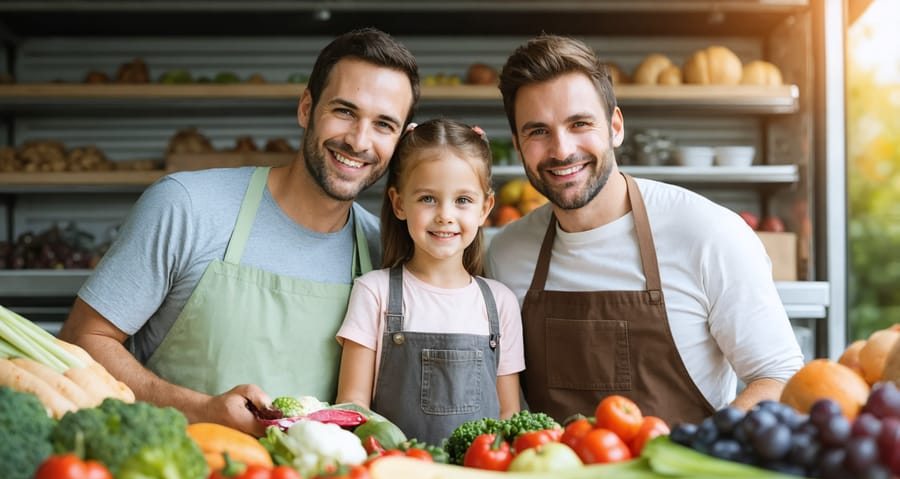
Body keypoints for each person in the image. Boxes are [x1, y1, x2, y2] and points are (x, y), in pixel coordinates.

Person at [58, 28, 420, 435]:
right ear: (306, 108)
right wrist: (201, 410)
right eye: (344, 111)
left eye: (384, 124)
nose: (358, 141)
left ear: (401, 140)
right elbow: (81, 339)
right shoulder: (188, 207)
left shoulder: (385, 251)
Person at [485, 34, 804, 426]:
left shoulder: (708, 234)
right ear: (517, 146)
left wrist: (703, 448)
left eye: (579, 123)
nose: (561, 149)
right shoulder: (506, 253)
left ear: (615, 127)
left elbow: (780, 378)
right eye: (538, 131)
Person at [335, 119, 524, 445]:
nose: (445, 215)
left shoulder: (500, 302)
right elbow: (352, 409)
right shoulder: (374, 292)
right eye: (427, 198)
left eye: (463, 200)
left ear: (485, 208)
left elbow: (509, 414)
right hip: (395, 476)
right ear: (398, 203)